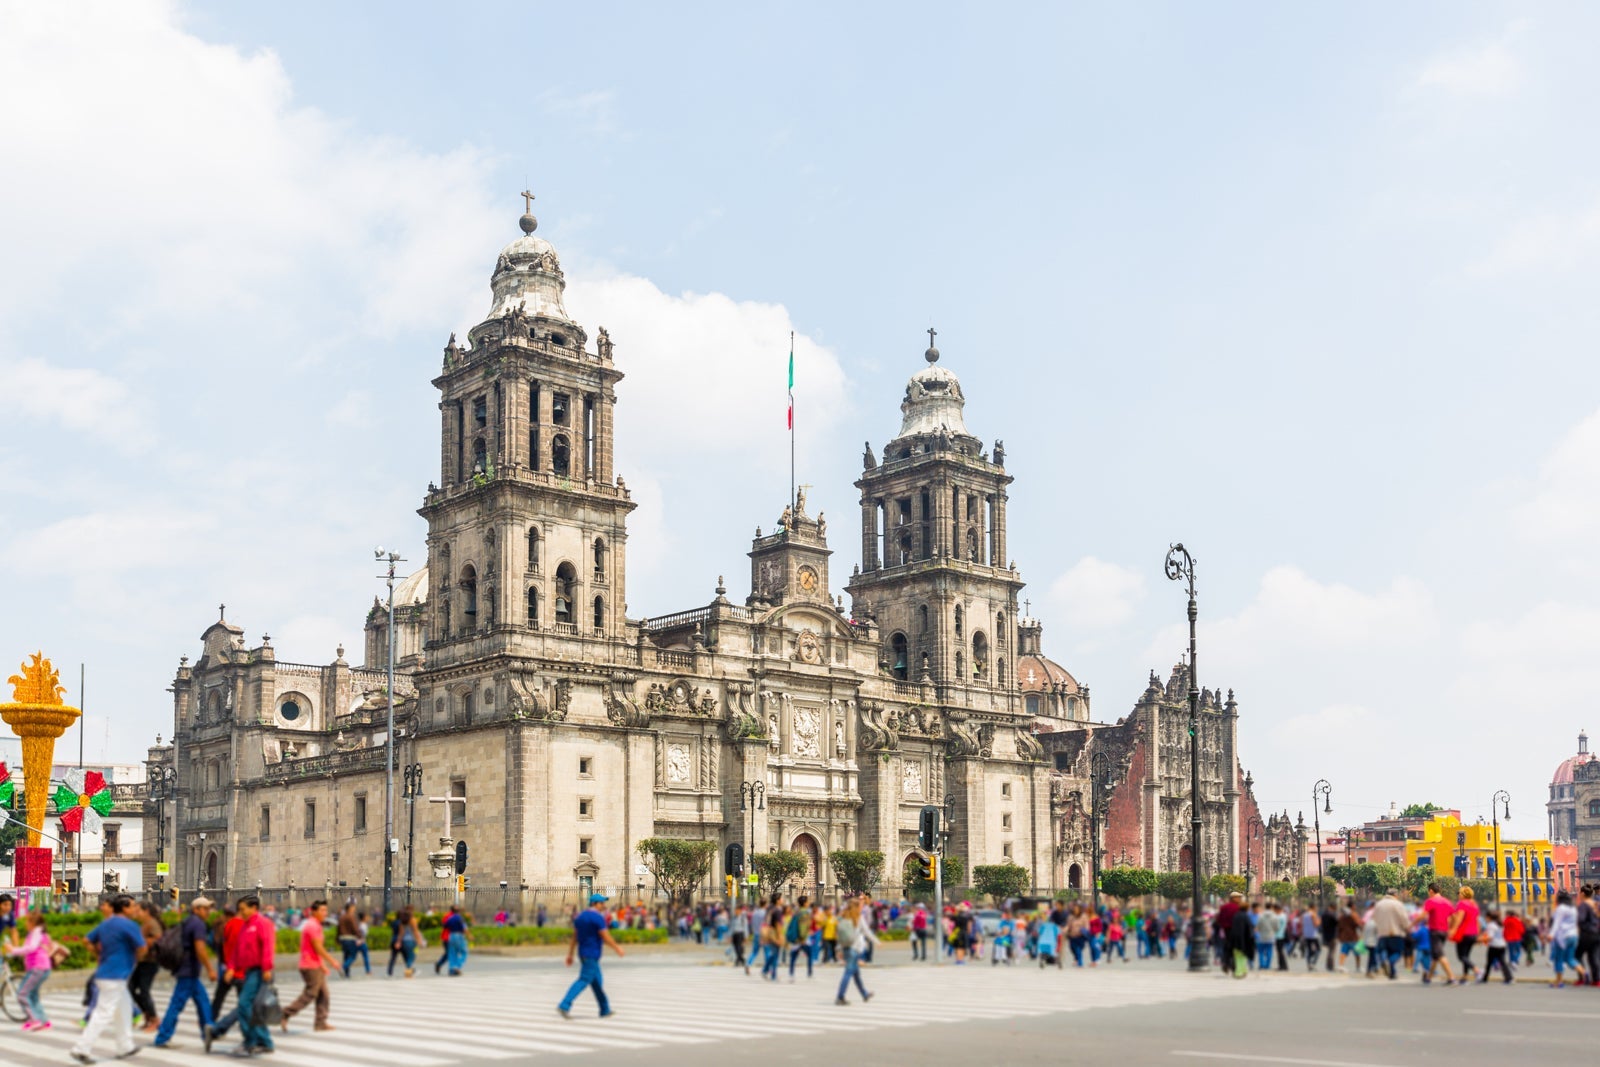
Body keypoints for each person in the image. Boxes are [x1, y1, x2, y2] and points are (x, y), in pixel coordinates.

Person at [71, 894, 146, 1064]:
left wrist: (98, 954)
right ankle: (81, 1048)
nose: (135, 909)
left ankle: (125, 1046)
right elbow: (142, 947)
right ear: (125, 908)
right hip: (115, 976)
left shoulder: (106, 924)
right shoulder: (129, 925)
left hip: (107, 973)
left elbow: (86, 940)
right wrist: (134, 960)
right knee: (103, 1013)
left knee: (125, 1009)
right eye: (132, 906)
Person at [205, 894, 276, 1057]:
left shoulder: (262, 924)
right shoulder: (245, 925)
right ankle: (264, 1042)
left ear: (254, 908)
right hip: (249, 971)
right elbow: (238, 950)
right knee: (252, 1007)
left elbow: (267, 946)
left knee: (245, 1004)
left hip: (259, 971)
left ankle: (250, 1042)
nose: (241, 912)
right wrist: (231, 967)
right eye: (240, 909)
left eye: (243, 909)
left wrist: (266, 968)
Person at [154, 895, 218, 1049]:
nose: (208, 911)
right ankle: (163, 1036)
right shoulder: (198, 924)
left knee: (202, 1001)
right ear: (197, 909)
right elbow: (200, 948)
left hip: (188, 969)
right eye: (205, 908)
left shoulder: (189, 921)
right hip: (188, 969)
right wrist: (210, 969)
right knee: (177, 1004)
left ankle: (208, 1030)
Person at [558, 892, 624, 1018]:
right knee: (583, 980)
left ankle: (605, 1009)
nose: (603, 906)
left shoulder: (580, 917)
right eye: (601, 903)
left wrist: (570, 954)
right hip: (592, 954)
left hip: (583, 953)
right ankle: (564, 1005)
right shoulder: (597, 918)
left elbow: (574, 937)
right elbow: (605, 936)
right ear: (594, 903)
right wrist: (617, 948)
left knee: (597, 982)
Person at [281, 898, 337, 1032]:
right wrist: (332, 961)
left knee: (323, 994)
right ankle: (286, 1013)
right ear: (314, 911)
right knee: (311, 994)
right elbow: (317, 947)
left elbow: (315, 950)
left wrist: (322, 965)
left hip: (315, 964)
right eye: (322, 910)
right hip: (309, 966)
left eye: (326, 910)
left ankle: (320, 1022)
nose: (325, 913)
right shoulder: (312, 926)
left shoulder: (316, 925)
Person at [7, 911, 60, 1031]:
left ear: (33, 922)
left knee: (22, 994)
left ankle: (34, 1020)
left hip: (38, 968)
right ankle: (44, 1021)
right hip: (42, 968)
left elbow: (31, 948)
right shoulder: (39, 932)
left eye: (27, 920)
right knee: (33, 995)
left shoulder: (36, 932)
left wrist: (13, 950)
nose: (25, 923)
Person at [128, 898, 165, 1032]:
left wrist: (141, 941)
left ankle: (154, 1018)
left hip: (151, 962)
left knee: (144, 991)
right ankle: (147, 1015)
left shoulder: (152, 923)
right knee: (130, 988)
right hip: (143, 961)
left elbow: (158, 939)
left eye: (139, 910)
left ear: (146, 911)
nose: (136, 913)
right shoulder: (145, 924)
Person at [834, 898, 877, 1005]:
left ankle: (864, 994)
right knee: (848, 973)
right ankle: (840, 996)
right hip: (854, 949)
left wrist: (839, 949)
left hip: (846, 948)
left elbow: (840, 934)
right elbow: (866, 932)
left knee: (856, 973)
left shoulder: (843, 917)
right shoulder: (858, 918)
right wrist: (876, 941)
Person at [1420, 883, 1457, 986]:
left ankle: (1451, 977)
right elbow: (1454, 917)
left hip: (1435, 932)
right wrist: (1452, 928)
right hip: (1444, 931)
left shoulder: (1431, 901)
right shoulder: (1447, 902)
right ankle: (1428, 977)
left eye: (1428, 891)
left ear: (1431, 891)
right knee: (1435, 956)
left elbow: (1422, 915)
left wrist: (1411, 925)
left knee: (1440, 955)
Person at [1370, 888, 1409, 981]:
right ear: (1395, 895)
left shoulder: (1378, 904)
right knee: (1397, 952)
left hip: (1382, 933)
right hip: (1395, 933)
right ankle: (1389, 963)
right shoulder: (1398, 904)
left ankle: (1391, 971)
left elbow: (1374, 918)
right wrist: (1407, 928)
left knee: (1384, 951)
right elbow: (1404, 919)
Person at [1447, 885, 1481, 985]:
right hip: (1473, 933)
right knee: (1466, 956)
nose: (1458, 895)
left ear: (1463, 894)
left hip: (1464, 933)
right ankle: (1465, 977)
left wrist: (1453, 929)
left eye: (1459, 893)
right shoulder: (1474, 905)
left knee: (1461, 956)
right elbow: (1477, 921)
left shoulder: (1462, 904)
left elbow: (1459, 918)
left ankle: (1477, 971)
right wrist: (1478, 934)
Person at [1549, 891, 1579, 987]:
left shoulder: (1561, 909)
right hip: (1573, 936)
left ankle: (1559, 981)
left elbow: (1557, 923)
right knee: (1570, 959)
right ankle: (1584, 974)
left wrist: (1551, 934)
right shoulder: (1573, 909)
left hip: (1563, 937)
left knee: (1559, 959)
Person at [1576, 884, 1600, 985]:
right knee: (1593, 957)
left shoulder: (1584, 905)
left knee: (1577, 955)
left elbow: (1580, 919)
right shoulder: (1596, 904)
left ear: (1582, 893)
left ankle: (1582, 977)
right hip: (1596, 933)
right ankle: (1596, 980)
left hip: (1586, 934)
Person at [1480, 910, 1512, 984]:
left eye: (1486, 917)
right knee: (1503, 962)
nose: (1485, 919)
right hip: (1502, 945)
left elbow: (1490, 937)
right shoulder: (1499, 924)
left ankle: (1485, 978)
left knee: (1489, 963)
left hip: (1494, 946)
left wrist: (1479, 939)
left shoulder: (1491, 925)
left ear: (1489, 917)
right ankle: (1509, 978)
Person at [389, 906, 422, 977]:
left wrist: (398, 942)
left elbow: (401, 933)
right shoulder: (413, 920)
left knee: (408, 957)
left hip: (404, 942)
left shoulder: (402, 922)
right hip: (412, 942)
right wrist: (419, 940)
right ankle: (408, 970)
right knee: (412, 956)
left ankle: (409, 970)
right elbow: (415, 931)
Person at [442, 905, 470, 975]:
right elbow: (464, 928)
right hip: (459, 935)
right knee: (464, 952)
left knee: (452, 953)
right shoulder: (460, 918)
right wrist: (469, 935)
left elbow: (445, 926)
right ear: (459, 911)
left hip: (451, 935)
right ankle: (457, 967)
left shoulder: (449, 918)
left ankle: (451, 969)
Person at [1253, 902, 1280, 971]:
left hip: (1261, 937)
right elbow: (1277, 928)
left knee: (1261, 952)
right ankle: (1267, 965)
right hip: (1271, 936)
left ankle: (1262, 965)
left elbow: (1258, 927)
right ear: (1271, 907)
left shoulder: (1261, 916)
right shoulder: (1274, 916)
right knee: (1269, 951)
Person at [338, 903, 361, 978]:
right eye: (353, 908)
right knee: (353, 956)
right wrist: (360, 936)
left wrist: (337, 938)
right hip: (350, 938)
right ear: (350, 908)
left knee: (346, 956)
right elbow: (355, 928)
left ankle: (346, 973)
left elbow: (338, 928)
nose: (354, 909)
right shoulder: (351, 917)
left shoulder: (341, 917)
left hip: (343, 938)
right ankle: (343, 967)